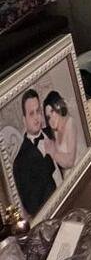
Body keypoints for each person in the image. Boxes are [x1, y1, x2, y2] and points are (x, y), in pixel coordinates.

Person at [12, 88, 56, 218]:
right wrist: (48, 160)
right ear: (24, 120)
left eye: (38, 111)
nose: (36, 117)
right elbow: (32, 206)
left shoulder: (53, 132)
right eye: (31, 114)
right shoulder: (20, 162)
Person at [43, 90, 83, 175]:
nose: (51, 119)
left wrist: (53, 153)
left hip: (81, 170)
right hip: (69, 176)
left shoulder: (70, 123)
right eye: (48, 117)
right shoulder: (55, 132)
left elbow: (70, 161)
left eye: (52, 112)